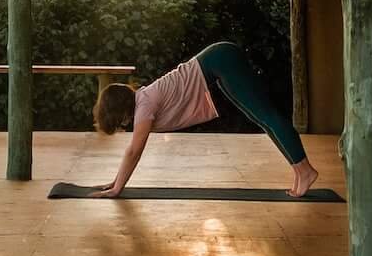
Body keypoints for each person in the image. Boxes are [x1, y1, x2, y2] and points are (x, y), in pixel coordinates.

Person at [89, 41, 320, 198]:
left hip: (221, 60)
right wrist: (116, 181)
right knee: (260, 118)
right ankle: (300, 171)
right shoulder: (143, 100)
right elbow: (132, 151)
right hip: (218, 62)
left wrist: (117, 188)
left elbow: (134, 151)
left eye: (119, 121)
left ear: (122, 110)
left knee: (267, 115)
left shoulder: (144, 106)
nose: (123, 125)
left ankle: (305, 170)